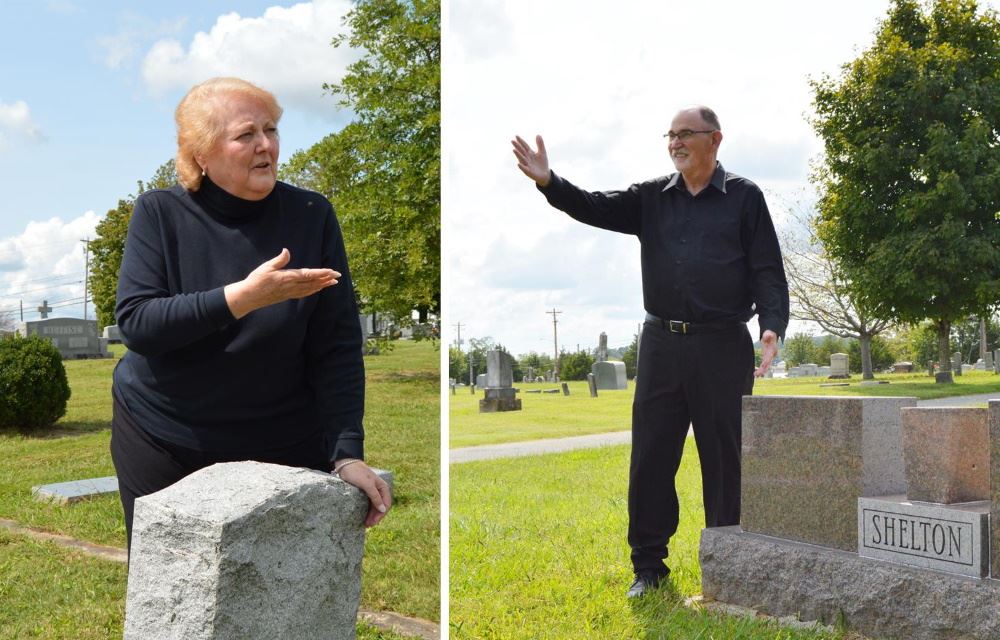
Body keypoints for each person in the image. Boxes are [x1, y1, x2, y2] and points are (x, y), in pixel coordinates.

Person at [512, 106, 788, 598]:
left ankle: (726, 563)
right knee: (651, 458)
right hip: (661, 344)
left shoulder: (745, 197)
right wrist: (550, 182)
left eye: (686, 134)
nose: (675, 142)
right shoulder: (651, 197)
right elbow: (594, 206)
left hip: (722, 345)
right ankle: (649, 568)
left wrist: (772, 326)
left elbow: (767, 268)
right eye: (671, 135)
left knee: (724, 459)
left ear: (715, 139)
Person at [111, 77, 390, 551]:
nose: (266, 145)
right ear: (202, 153)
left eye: (271, 129)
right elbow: (138, 323)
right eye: (246, 135)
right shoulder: (159, 212)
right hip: (165, 437)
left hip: (284, 439)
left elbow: (337, 344)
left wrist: (346, 453)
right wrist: (241, 298)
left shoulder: (311, 213)